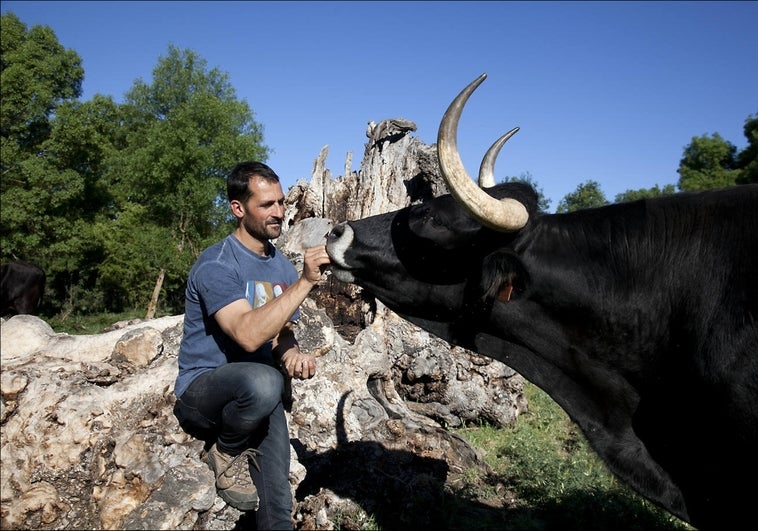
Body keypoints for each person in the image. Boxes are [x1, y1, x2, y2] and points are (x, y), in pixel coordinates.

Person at [173, 161, 331, 529]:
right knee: (264, 381)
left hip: (260, 394)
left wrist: (291, 354)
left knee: (278, 503)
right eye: (267, 205)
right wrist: (306, 282)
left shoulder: (280, 267)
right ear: (238, 208)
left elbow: (279, 333)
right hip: (205, 391)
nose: (279, 212)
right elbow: (247, 334)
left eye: (280, 202)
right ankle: (226, 450)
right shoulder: (217, 264)